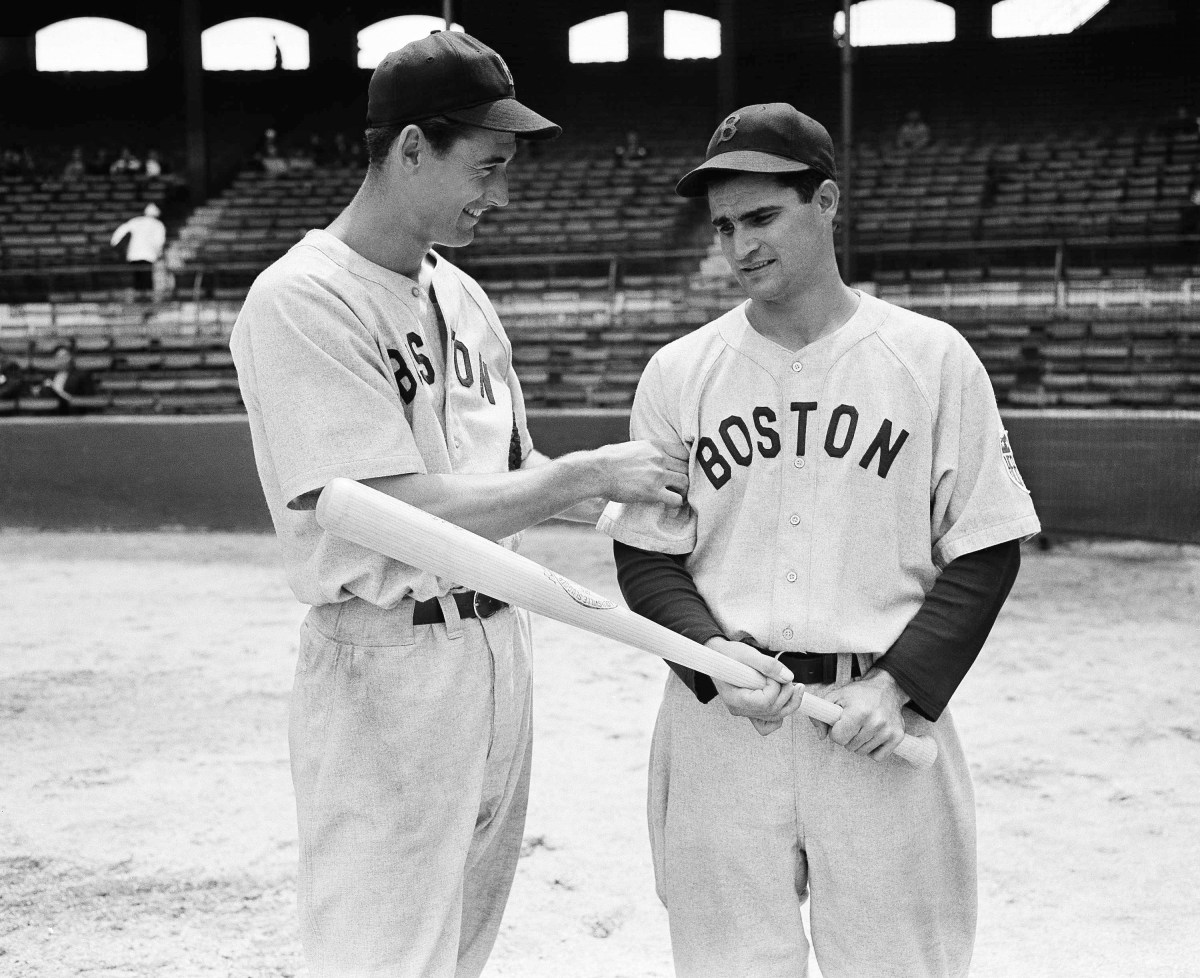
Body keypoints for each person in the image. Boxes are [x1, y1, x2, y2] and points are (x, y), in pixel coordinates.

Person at [228, 30, 688, 978]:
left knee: (464, 944)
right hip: (385, 655)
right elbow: (385, 505)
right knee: (380, 952)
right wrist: (589, 475)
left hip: (495, 645)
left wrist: (629, 504)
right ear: (408, 148)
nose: (501, 194)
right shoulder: (302, 298)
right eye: (486, 165)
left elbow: (510, 478)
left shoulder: (466, 296)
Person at [599, 103, 1041, 978]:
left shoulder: (931, 358)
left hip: (880, 721)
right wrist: (709, 653)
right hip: (724, 719)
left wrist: (902, 684)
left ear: (826, 202)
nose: (739, 247)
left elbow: (987, 547)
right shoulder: (680, 372)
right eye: (724, 226)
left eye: (763, 217)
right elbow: (647, 552)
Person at [109, 204, 166, 291]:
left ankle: (139, 297)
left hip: (134, 255)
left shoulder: (136, 221)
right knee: (146, 279)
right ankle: (145, 299)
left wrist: (114, 242)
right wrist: (159, 253)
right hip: (148, 255)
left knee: (137, 278)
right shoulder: (158, 225)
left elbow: (121, 230)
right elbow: (159, 241)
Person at [42, 344, 96, 414]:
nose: (61, 359)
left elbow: (88, 399)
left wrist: (59, 392)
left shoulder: (81, 375)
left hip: (74, 415)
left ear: (70, 357)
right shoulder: (49, 376)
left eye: (64, 356)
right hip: (51, 415)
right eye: (58, 357)